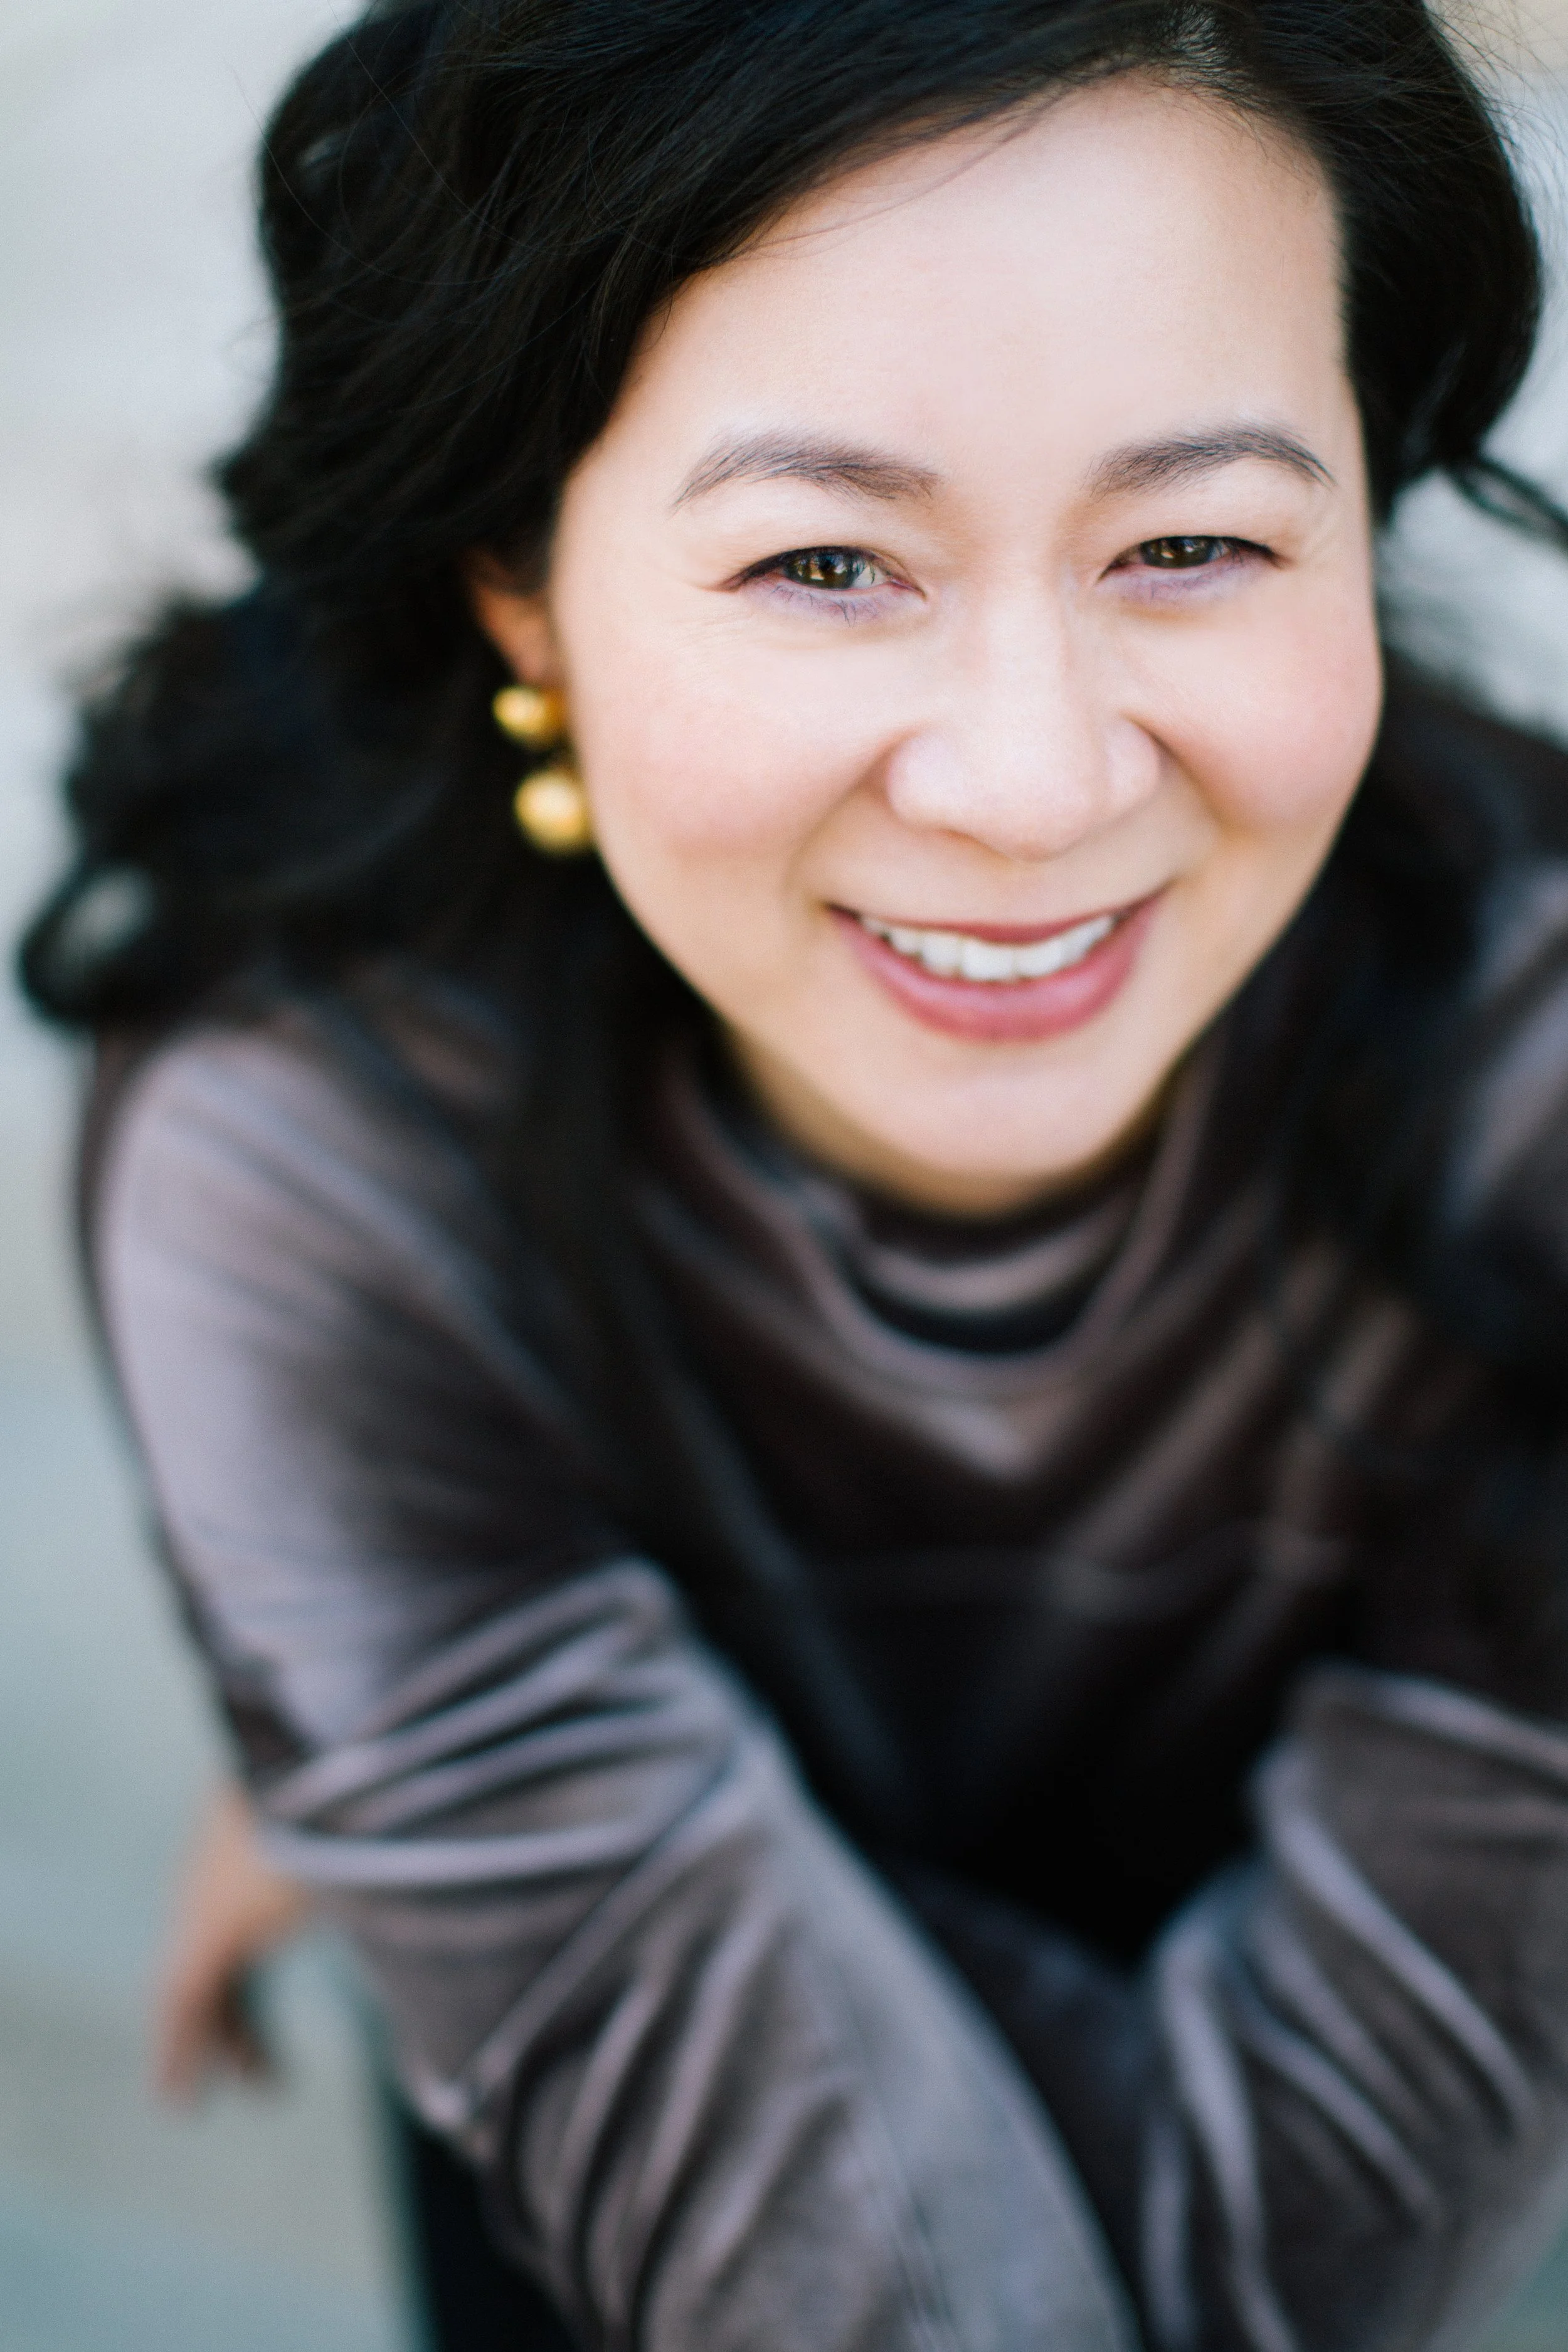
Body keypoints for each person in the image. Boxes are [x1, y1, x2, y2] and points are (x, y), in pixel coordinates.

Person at [24, 0, 1568, 2342]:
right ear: (517, 581)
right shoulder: (318, 1143)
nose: (1034, 780)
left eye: (1191, 536)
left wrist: (403, 1769)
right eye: (828, 564)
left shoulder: (1531, 1085)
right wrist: (401, 1739)